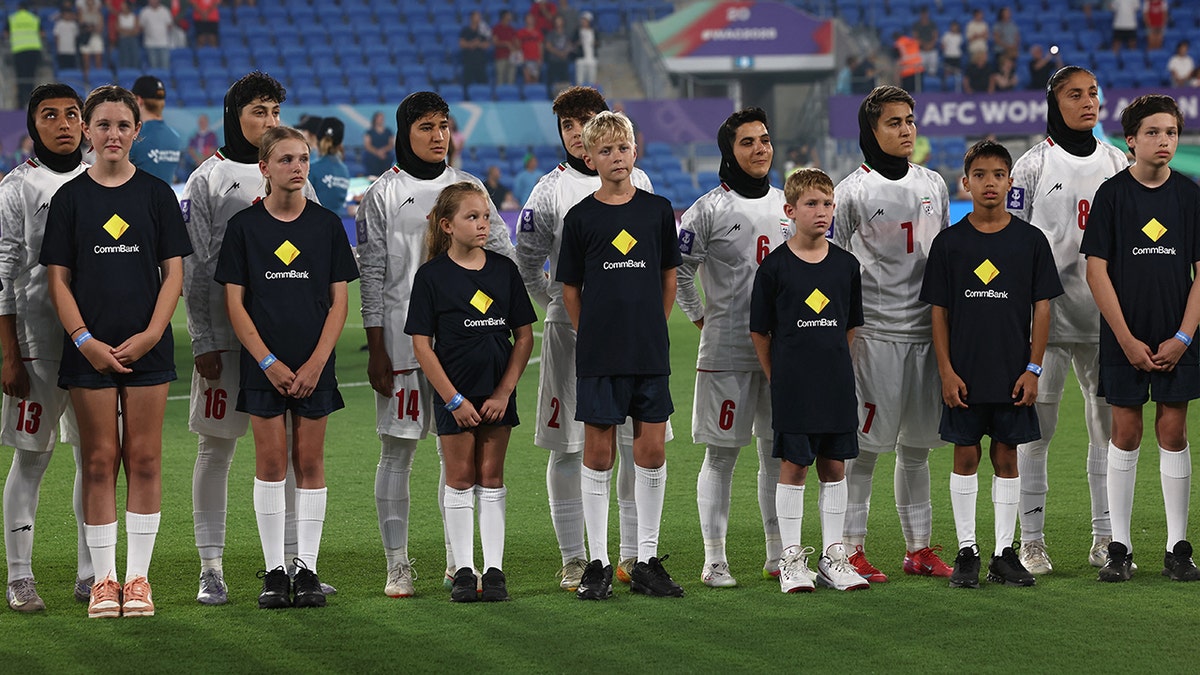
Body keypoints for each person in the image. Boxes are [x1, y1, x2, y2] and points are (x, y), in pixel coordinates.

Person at [40, 84, 192, 618]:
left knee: (145, 458)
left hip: (147, 348)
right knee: (99, 460)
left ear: (137, 132)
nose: (112, 134)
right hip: (89, 349)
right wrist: (84, 340)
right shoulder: (69, 199)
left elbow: (174, 273)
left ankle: (138, 579)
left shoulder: (156, 194)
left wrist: (154, 334)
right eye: (102, 125)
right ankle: (103, 581)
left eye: (122, 126)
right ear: (87, 130)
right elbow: (58, 281)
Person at [357, 91, 516, 599]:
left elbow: (502, 255)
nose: (437, 135)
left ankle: (459, 564)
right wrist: (376, 344)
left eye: (444, 125)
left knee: (462, 457)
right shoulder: (382, 193)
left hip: (468, 346)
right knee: (398, 450)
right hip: (408, 345)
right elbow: (373, 273)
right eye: (426, 126)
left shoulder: (470, 190)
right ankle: (398, 563)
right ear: (406, 132)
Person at [181, 71, 322, 606]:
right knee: (216, 448)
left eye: (275, 112)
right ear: (234, 115)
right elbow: (196, 266)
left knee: (284, 452)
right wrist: (203, 339)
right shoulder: (209, 178)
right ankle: (210, 566)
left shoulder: (291, 167)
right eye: (258, 112)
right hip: (227, 337)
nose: (269, 122)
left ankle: (292, 562)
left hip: (283, 339)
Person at [515, 87, 657, 592]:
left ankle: (632, 554)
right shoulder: (547, 191)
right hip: (570, 331)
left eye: (585, 122)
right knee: (569, 446)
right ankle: (576, 558)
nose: (576, 133)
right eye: (567, 126)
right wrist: (556, 305)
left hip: (631, 335)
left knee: (629, 440)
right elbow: (526, 261)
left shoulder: (637, 178)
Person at [215, 126, 358, 609]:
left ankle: (308, 570)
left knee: (310, 463)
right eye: (286, 160)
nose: (297, 167)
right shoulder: (245, 228)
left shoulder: (327, 225)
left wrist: (317, 362)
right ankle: (275, 571)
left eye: (303, 159)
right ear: (264, 167)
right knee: (272, 464)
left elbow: (340, 303)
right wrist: (268, 361)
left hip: (314, 363)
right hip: (264, 365)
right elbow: (235, 304)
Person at [1007, 66, 1131, 575]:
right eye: (1075, 94)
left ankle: (1106, 539)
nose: (1088, 102)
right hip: (1048, 321)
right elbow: (1012, 244)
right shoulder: (1031, 165)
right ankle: (1031, 542)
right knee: (1038, 432)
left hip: (1105, 319)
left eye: (1094, 94)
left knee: (1106, 430)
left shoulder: (1118, 162)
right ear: (1054, 102)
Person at [922, 139, 1062, 589]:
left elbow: (1043, 308)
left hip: (1012, 371)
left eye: (998, 175)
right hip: (963, 371)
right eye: (979, 175)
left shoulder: (1030, 241)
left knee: (1007, 456)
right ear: (965, 183)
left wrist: (1034, 368)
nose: (989, 183)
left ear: (1009, 181)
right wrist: (945, 370)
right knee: (965, 455)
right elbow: (938, 311)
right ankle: (968, 552)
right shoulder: (950, 243)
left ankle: (1004, 553)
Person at [556, 110, 683, 600]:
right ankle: (599, 563)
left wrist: (655, 322)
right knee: (599, 450)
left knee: (651, 450)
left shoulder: (656, 210)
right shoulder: (582, 216)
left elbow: (669, 276)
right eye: (604, 150)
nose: (615, 158)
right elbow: (570, 288)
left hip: (648, 350)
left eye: (622, 148)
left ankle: (646, 559)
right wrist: (591, 333)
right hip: (601, 353)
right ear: (589, 157)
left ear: (635, 150)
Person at [833, 85, 953, 584]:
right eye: (894, 122)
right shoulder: (850, 192)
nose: (906, 130)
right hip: (875, 336)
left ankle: (918, 548)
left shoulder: (934, 183)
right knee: (864, 449)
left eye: (910, 120)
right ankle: (850, 548)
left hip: (926, 334)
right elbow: (833, 267)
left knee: (919, 447)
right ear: (871, 130)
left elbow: (943, 260)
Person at [1082, 94, 1200, 583]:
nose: (1163, 141)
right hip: (1124, 338)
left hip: (1178, 336)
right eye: (1152, 133)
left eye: (1170, 132)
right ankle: (1120, 548)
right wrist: (1126, 339)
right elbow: (1095, 271)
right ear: (1130, 141)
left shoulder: (1190, 194)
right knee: (1124, 432)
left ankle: (1178, 546)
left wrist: (1184, 337)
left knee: (1173, 431)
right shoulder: (1112, 195)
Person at [406, 182, 535, 602]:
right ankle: (464, 569)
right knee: (459, 479)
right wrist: (453, 399)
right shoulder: (431, 277)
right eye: (472, 217)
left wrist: (503, 392)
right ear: (447, 225)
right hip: (454, 397)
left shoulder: (504, 270)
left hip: (497, 394)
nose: (483, 224)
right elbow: (422, 345)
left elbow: (524, 337)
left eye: (484, 216)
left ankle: (493, 570)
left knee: (491, 477)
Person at [675, 108, 788, 587]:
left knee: (775, 454)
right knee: (721, 456)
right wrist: (702, 318)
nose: (760, 149)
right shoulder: (706, 210)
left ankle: (777, 554)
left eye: (764, 140)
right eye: (748, 142)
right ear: (730, 151)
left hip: (782, 352)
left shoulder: (789, 204)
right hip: (726, 351)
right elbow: (679, 271)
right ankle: (714, 559)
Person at [750, 167, 866, 593]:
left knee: (834, 465)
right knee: (795, 465)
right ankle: (792, 557)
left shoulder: (846, 265)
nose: (821, 212)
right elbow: (759, 331)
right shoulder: (774, 268)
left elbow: (850, 326)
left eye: (827, 204)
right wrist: (777, 376)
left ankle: (834, 554)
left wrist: (834, 364)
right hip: (793, 386)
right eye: (811, 204)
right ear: (790, 210)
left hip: (835, 383)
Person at [0, 83, 92, 613]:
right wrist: (9, 352)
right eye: (50, 115)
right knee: (33, 459)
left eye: (72, 114)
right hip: (38, 344)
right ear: (34, 125)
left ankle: (89, 572)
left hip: (95, 345)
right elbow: (6, 273)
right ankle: (19, 576)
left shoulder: (102, 179)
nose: (63, 123)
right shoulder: (17, 186)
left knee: (94, 457)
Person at [129, 76, 182, 185]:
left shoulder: (135, 136)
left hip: (139, 200)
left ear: (138, 100)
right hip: (166, 200)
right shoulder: (175, 137)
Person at [309, 117, 350, 219]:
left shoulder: (312, 168)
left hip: (315, 227)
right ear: (340, 143)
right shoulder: (344, 170)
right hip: (337, 228)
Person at [5, 2, 44, 106]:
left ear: (19, 8)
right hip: (34, 49)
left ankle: (21, 99)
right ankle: (30, 96)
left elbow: (6, 34)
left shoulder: (12, 18)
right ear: (28, 9)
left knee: (21, 75)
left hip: (19, 49)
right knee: (31, 75)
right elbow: (42, 34)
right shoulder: (34, 18)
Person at [459, 10, 490, 88]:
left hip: (480, 61)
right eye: (477, 16)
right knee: (467, 83)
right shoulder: (465, 30)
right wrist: (471, 44)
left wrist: (478, 44)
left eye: (479, 17)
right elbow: (462, 44)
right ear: (471, 18)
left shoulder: (483, 30)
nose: (479, 18)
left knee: (483, 83)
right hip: (468, 61)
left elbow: (486, 45)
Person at [139, 0, 173, 70]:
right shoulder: (144, 12)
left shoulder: (165, 11)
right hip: (150, 44)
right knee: (154, 68)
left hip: (163, 44)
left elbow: (169, 25)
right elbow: (141, 27)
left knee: (165, 68)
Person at [544, 15, 574, 95]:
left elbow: (570, 45)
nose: (558, 22)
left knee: (564, 81)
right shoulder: (551, 34)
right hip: (553, 60)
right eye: (557, 20)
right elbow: (548, 46)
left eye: (560, 20)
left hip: (563, 61)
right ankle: (550, 96)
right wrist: (558, 53)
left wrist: (565, 52)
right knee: (551, 80)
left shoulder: (566, 34)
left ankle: (564, 96)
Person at [77, 0, 104, 80]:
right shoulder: (82, 14)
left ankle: (98, 78)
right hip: (86, 39)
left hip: (96, 38)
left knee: (98, 61)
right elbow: (82, 27)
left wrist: (91, 27)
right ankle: (86, 79)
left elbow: (100, 28)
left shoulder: (99, 15)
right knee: (86, 62)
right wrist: (91, 27)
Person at [362, 112, 394, 178]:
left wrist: (383, 151)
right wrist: (377, 152)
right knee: (370, 157)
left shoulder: (388, 131)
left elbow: (391, 144)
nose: (381, 120)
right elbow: (367, 145)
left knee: (390, 157)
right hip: (373, 153)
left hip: (385, 153)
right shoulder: (369, 132)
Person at [493, 10, 519, 87]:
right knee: (500, 77)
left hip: (511, 57)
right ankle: (499, 95)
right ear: (504, 17)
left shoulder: (512, 29)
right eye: (508, 15)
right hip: (500, 57)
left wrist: (516, 47)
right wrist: (506, 44)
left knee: (511, 78)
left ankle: (510, 95)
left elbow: (515, 41)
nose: (510, 17)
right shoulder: (496, 28)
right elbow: (495, 42)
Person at [52, 6, 81, 72]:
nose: (67, 16)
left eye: (69, 14)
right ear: (63, 15)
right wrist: (58, 48)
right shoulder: (59, 24)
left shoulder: (74, 24)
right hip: (62, 50)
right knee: (63, 67)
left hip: (71, 50)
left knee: (71, 68)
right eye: (66, 15)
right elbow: (57, 36)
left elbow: (76, 36)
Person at [517, 13, 544, 85]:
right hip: (525, 58)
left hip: (535, 58)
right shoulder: (521, 32)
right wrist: (520, 57)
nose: (530, 21)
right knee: (527, 79)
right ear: (525, 20)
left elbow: (540, 45)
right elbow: (519, 45)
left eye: (531, 19)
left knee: (535, 78)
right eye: (528, 19)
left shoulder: (538, 32)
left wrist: (540, 57)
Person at [913, 8, 939, 77]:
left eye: (925, 14)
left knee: (933, 70)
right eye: (923, 14)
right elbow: (915, 37)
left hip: (932, 49)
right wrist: (924, 45)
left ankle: (932, 80)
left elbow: (935, 36)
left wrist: (931, 45)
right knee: (920, 70)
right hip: (922, 50)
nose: (924, 16)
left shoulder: (932, 24)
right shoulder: (917, 25)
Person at [115, 3, 141, 70]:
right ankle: (124, 71)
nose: (122, 8)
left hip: (133, 39)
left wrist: (125, 31)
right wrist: (129, 30)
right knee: (124, 56)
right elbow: (118, 29)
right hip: (123, 39)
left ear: (128, 7)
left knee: (134, 56)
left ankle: (135, 71)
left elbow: (136, 30)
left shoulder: (134, 16)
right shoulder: (119, 17)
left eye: (124, 6)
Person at [575, 11, 597, 86]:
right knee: (580, 80)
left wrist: (595, 43)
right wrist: (578, 43)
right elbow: (572, 42)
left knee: (591, 80)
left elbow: (598, 43)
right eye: (583, 20)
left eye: (586, 20)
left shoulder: (594, 31)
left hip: (591, 59)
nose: (584, 22)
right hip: (581, 58)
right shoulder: (577, 31)